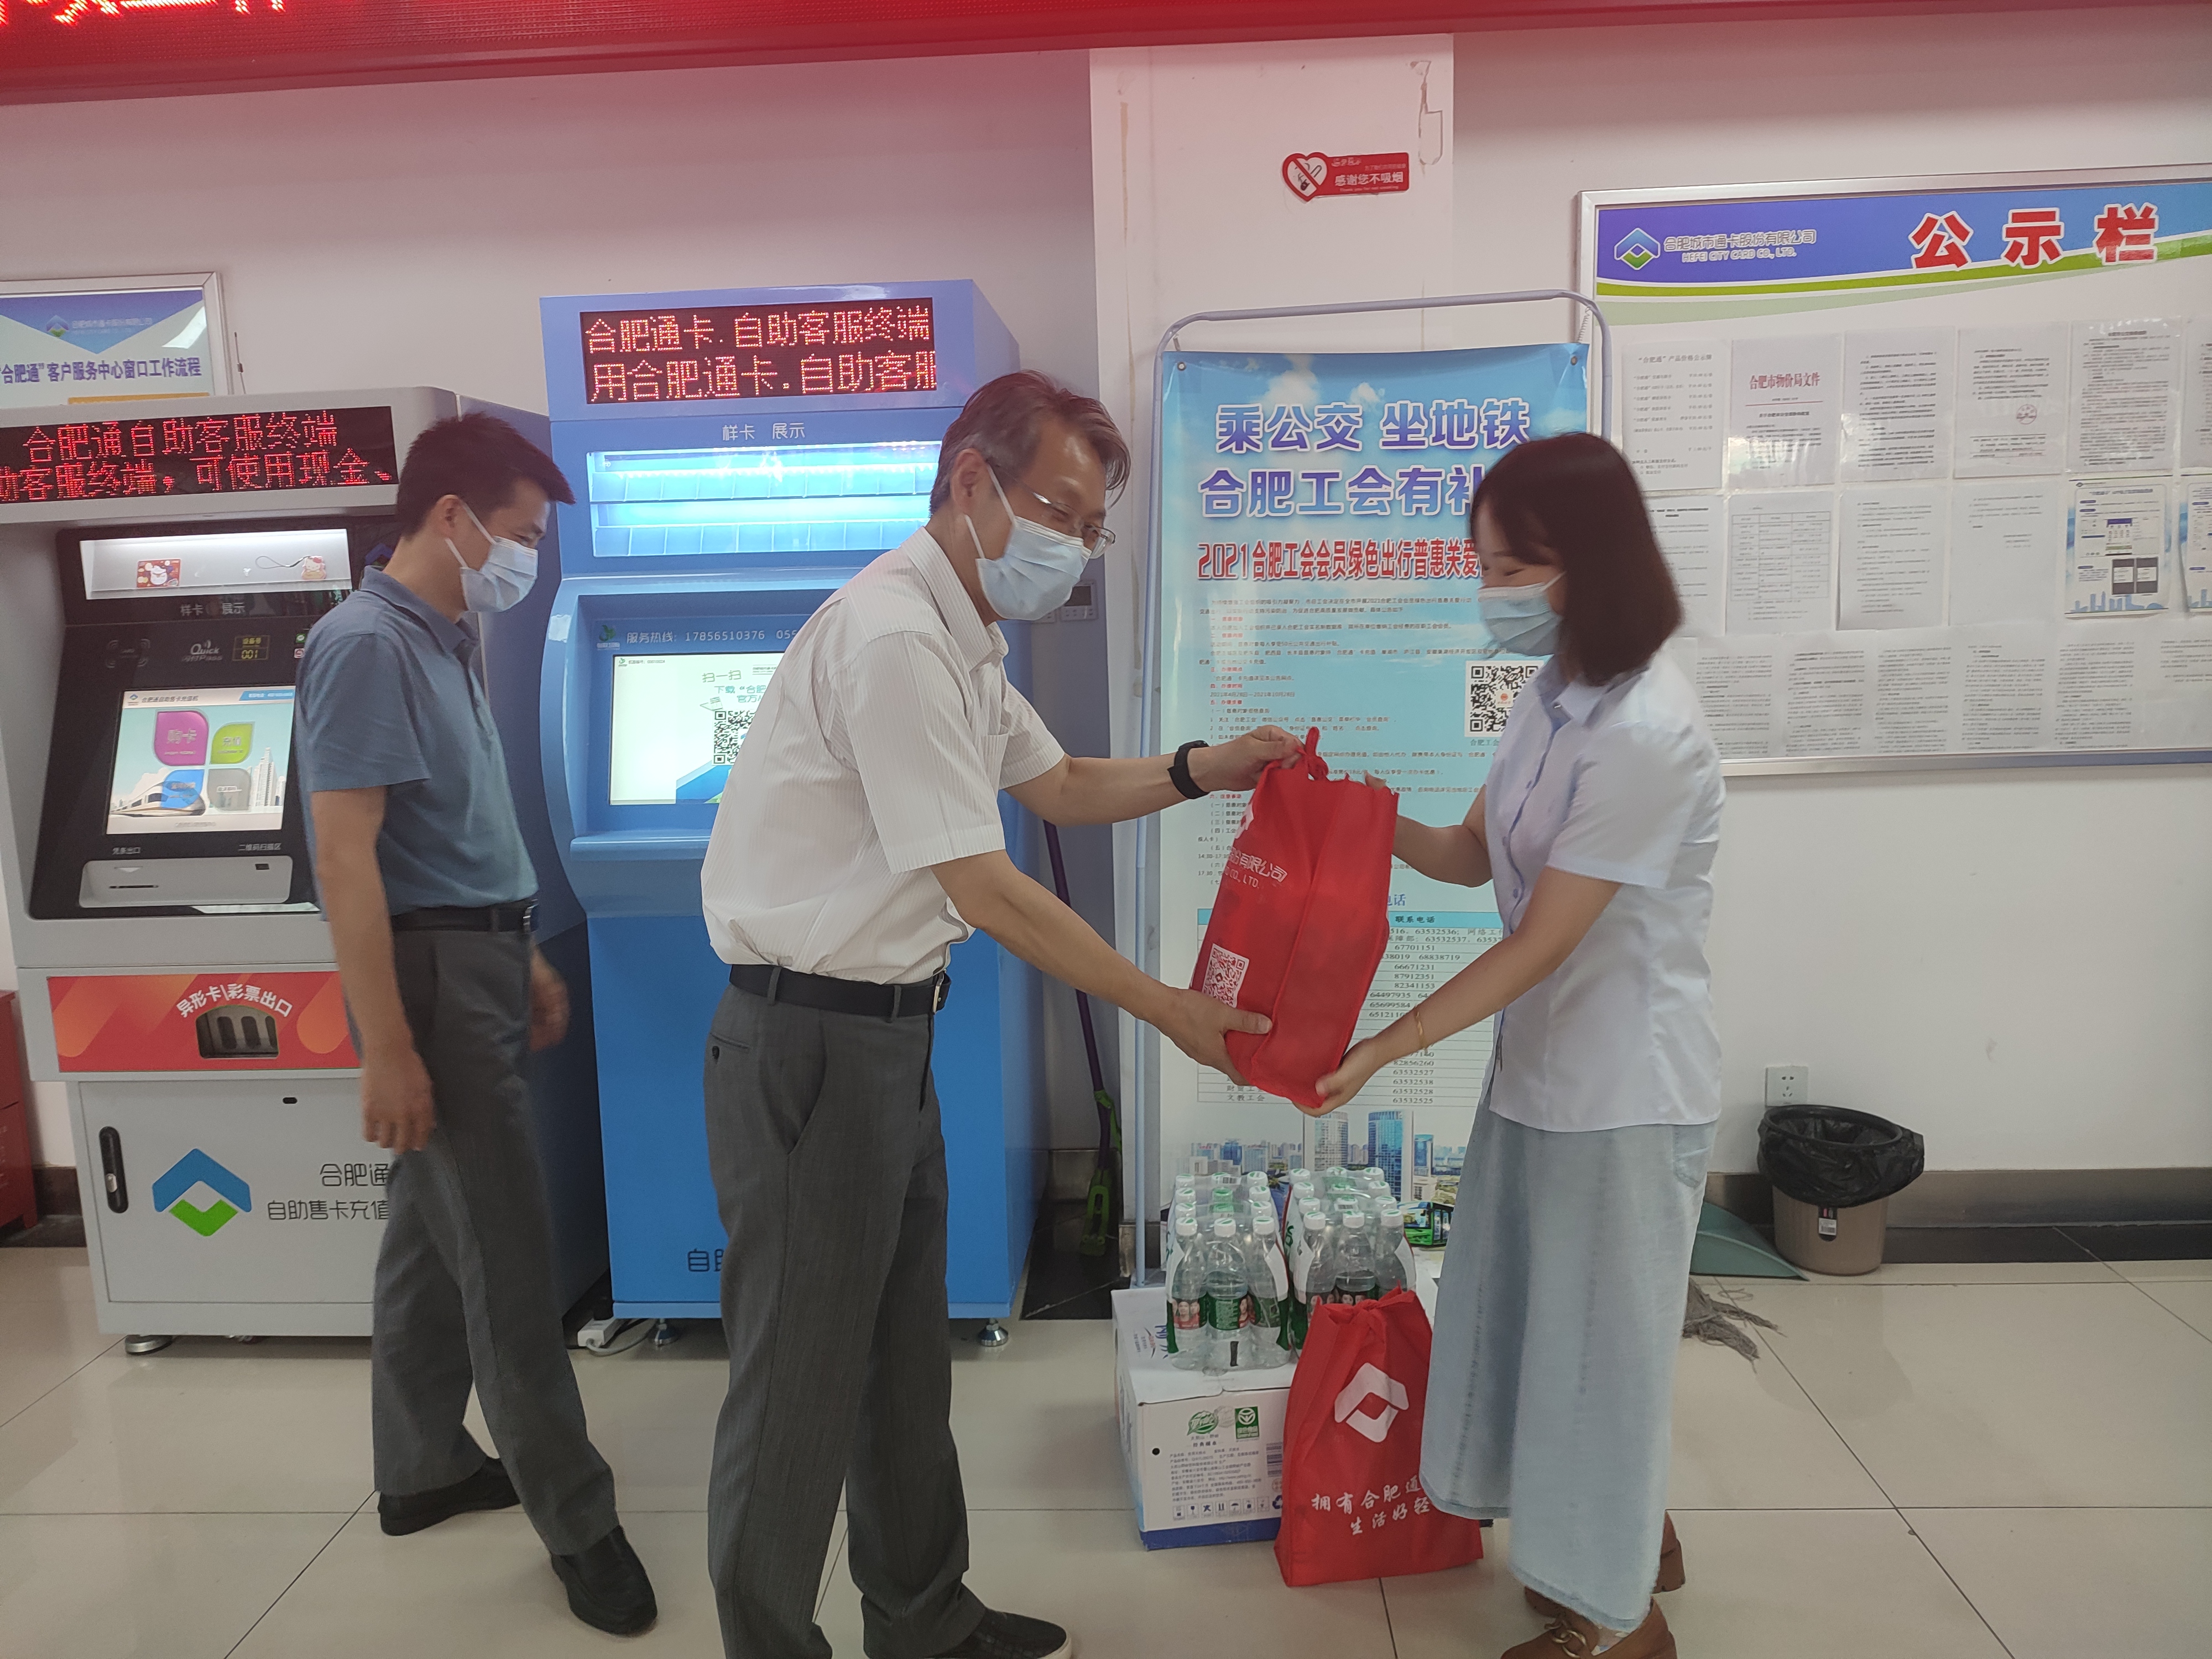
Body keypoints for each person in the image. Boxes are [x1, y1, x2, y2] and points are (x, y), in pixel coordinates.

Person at [697, 370, 1299, 1659]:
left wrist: (1208, 768)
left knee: (898, 1358)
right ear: (970, 481)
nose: (1071, 547)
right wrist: (1165, 1008)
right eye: (1058, 511)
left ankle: (920, 1617)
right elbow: (983, 884)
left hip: (883, 1040)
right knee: (798, 1384)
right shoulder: (895, 639)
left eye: (1091, 527)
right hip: (809, 1046)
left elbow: (1062, 782)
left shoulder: (960, 635)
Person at [1316, 433, 1721, 1659]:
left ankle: (1618, 1622)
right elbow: (1466, 854)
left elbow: (1542, 940)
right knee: (1544, 1330)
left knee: (1599, 1354)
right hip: (1541, 1076)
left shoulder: (1645, 732)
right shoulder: (1548, 696)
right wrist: (1352, 813)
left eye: (1511, 568)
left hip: (1623, 1091)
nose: (1490, 591)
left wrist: (1383, 1047)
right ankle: (1627, 1541)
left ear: (1589, 562)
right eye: (1483, 565)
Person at [297, 413, 657, 1637]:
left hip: (477, 958)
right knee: (506, 1261)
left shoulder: (439, 634)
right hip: (433, 986)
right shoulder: (363, 645)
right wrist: (389, 1048)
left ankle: (421, 1468)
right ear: (451, 517)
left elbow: (454, 827)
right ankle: (582, 1525)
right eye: (521, 533)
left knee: (427, 1231)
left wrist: (524, 951)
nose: (526, 558)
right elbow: (346, 860)